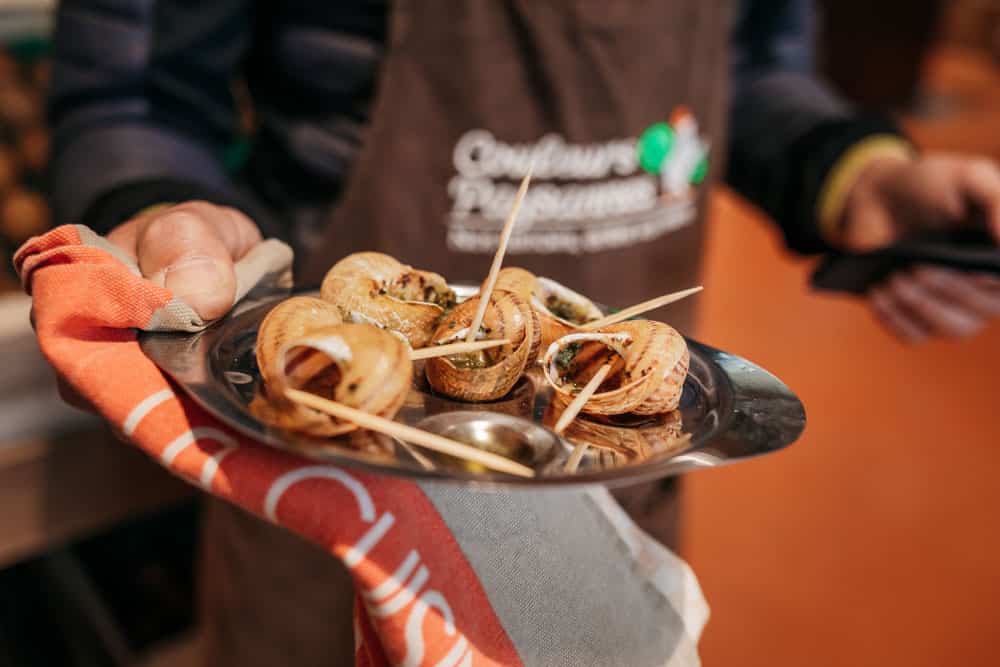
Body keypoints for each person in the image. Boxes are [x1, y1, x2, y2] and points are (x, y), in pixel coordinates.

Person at [47, 0, 1000, 664]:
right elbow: (139, 90)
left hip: (619, 477)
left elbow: (750, 63)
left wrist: (850, 173)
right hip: (333, 495)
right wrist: (158, 205)